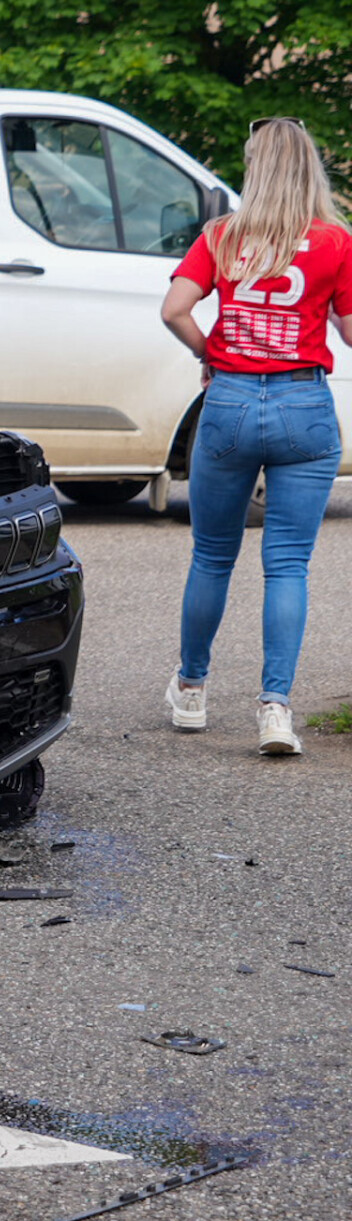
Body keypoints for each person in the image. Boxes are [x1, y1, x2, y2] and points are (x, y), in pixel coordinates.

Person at [160, 117, 352, 754]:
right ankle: (275, 710)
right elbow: (351, 331)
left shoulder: (222, 235)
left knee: (212, 557)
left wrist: (208, 354)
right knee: (288, 563)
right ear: (310, 169)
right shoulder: (335, 241)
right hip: (304, 405)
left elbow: (174, 310)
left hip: (230, 402)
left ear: (254, 168)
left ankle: (192, 690)